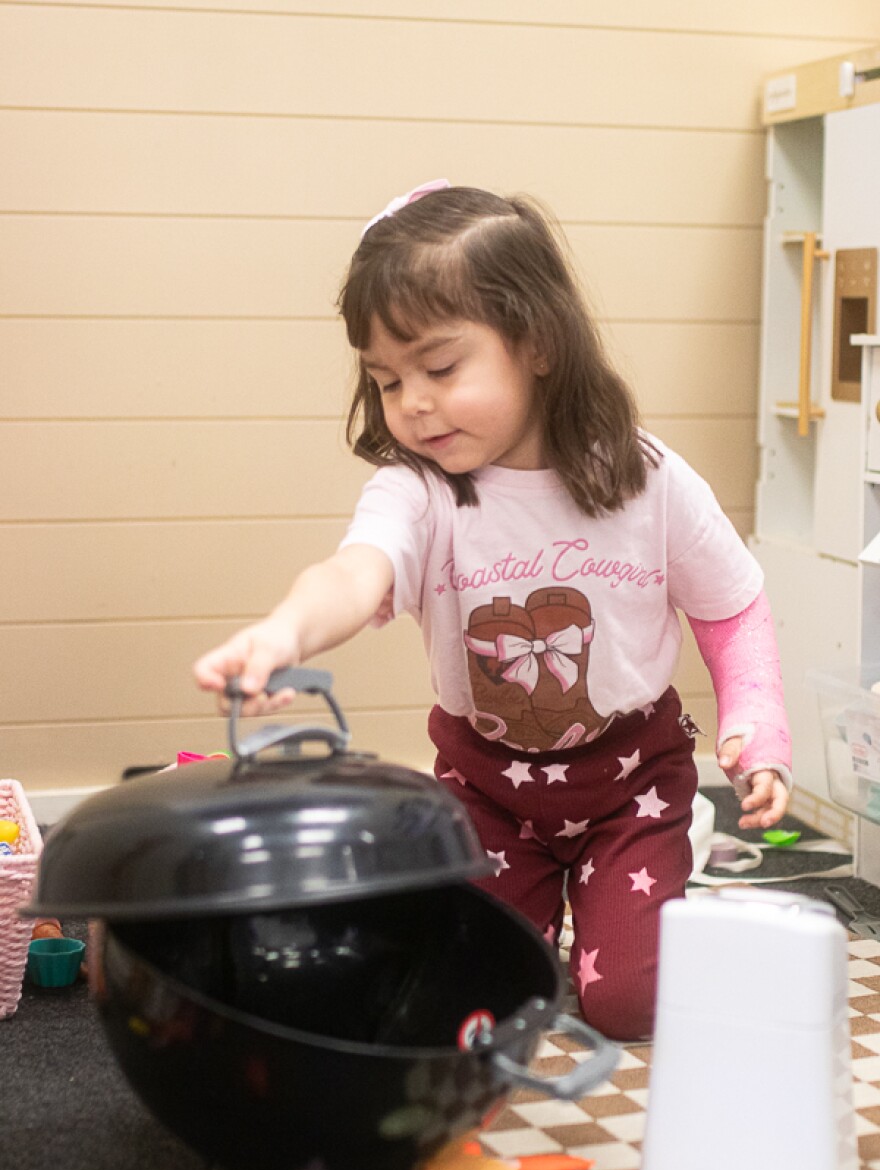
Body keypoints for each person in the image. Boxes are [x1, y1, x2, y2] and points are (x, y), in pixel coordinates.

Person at [194, 182, 791, 1042]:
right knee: (468, 1002)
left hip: (631, 785)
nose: (413, 402)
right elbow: (356, 572)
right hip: (490, 793)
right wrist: (284, 631)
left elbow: (731, 606)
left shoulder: (647, 478)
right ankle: (536, 912)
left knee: (628, 1004)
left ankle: (666, 861)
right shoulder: (419, 493)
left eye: (439, 368)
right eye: (387, 379)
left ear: (538, 343)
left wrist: (758, 719)